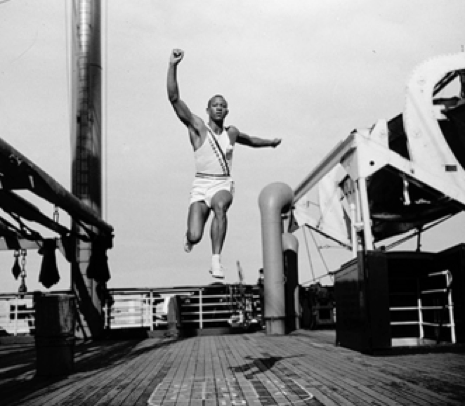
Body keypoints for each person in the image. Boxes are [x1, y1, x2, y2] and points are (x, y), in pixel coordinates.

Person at [167, 49, 282, 279]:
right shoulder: (198, 128)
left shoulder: (231, 133)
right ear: (208, 110)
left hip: (222, 184)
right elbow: (174, 99)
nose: (219, 108)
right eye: (215, 105)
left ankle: (216, 261)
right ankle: (190, 238)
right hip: (201, 185)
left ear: (227, 110)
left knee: (220, 206)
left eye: (222, 105)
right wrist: (173, 65)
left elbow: (250, 140)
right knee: (195, 235)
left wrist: (270, 143)